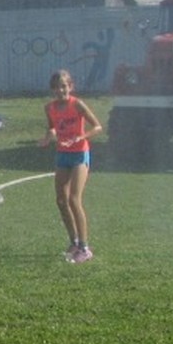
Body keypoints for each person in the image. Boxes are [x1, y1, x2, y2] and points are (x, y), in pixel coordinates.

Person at [41, 69, 102, 263]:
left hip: (79, 154)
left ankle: (85, 248)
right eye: (57, 87)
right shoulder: (49, 108)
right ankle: (74, 242)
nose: (61, 90)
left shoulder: (78, 105)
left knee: (75, 199)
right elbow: (52, 127)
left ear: (71, 87)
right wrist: (48, 137)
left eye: (64, 86)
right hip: (62, 155)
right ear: (53, 90)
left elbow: (98, 126)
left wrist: (81, 136)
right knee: (61, 200)